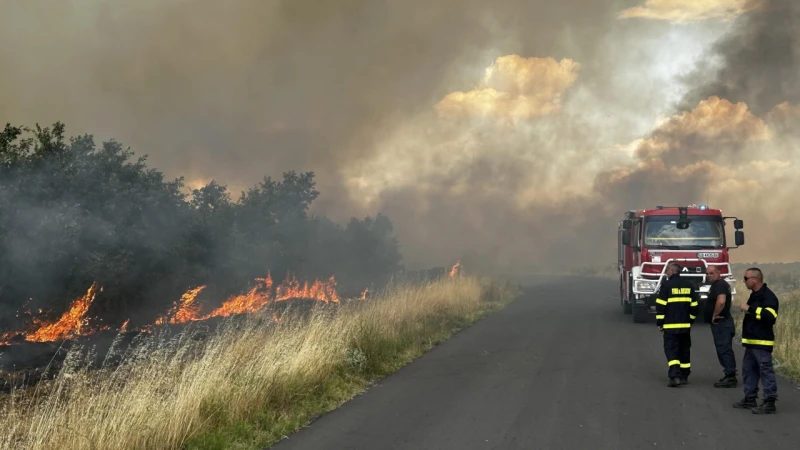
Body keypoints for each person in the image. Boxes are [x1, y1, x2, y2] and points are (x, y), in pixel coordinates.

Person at [733, 267, 779, 414]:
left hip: (761, 342)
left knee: (765, 371)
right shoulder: (755, 295)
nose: (744, 281)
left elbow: (770, 318)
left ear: (755, 280)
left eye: (746, 279)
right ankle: (750, 398)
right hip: (751, 341)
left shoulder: (768, 297)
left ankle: (769, 402)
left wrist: (750, 308)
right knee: (748, 370)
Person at [655, 262, 699, 387]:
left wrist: (660, 323)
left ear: (672, 271)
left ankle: (674, 376)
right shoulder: (689, 285)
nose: (665, 273)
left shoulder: (666, 286)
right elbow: (694, 306)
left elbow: (660, 306)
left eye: (667, 270)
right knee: (684, 350)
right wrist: (690, 321)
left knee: (671, 350)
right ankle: (684, 375)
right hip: (685, 327)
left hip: (670, 326)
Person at [704, 266, 737, 387]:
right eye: (707, 274)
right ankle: (728, 374)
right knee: (722, 349)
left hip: (722, 323)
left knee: (724, 349)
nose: (709, 275)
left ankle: (731, 376)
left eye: (712, 273)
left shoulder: (720, 284)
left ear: (719, 273)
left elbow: (721, 301)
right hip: (722, 323)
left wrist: (715, 315)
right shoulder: (718, 285)